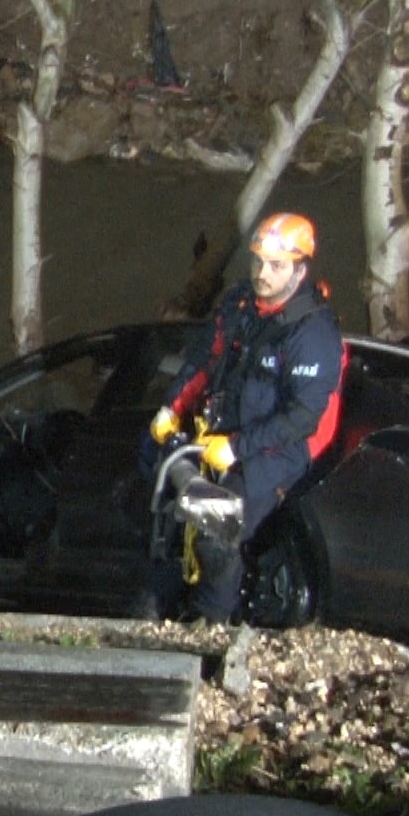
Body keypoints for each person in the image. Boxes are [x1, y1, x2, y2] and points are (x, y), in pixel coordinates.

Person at [145, 212, 344, 623]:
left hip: (279, 448)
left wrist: (237, 448)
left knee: (219, 523)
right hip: (223, 431)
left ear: (300, 268)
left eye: (276, 265)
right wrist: (172, 408)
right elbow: (205, 360)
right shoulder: (239, 306)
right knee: (163, 490)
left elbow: (303, 417)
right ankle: (161, 603)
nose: (263, 273)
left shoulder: (312, 332)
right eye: (258, 262)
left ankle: (213, 623)